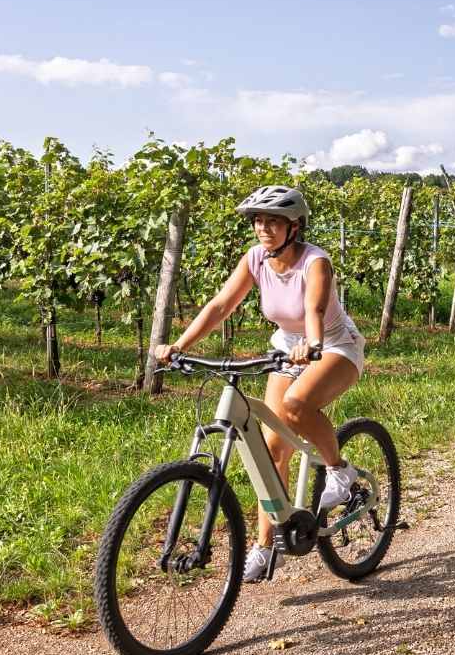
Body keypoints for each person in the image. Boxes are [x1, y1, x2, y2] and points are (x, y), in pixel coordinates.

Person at [152, 184, 366, 582]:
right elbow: (221, 305)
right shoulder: (255, 259)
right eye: (258, 221)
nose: (263, 228)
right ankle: (267, 547)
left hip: (333, 345)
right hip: (286, 348)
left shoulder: (315, 262)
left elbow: (315, 309)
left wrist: (312, 344)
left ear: (294, 227)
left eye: (273, 222)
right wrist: (179, 345)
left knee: (297, 404)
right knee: (271, 451)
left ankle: (339, 470)